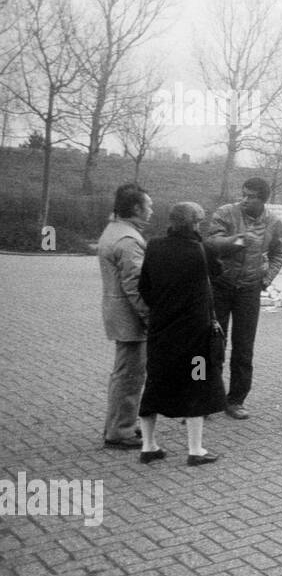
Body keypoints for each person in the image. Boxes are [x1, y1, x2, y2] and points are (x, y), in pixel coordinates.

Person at [137, 202, 227, 466]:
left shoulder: (154, 246)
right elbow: (218, 272)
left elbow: (144, 286)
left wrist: (164, 308)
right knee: (196, 384)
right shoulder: (201, 250)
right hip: (195, 336)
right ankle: (195, 450)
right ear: (196, 224)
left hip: (161, 332)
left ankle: (148, 446)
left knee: (154, 384)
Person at [203, 177, 282, 420]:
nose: (245, 199)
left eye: (252, 196)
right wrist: (238, 240)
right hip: (220, 286)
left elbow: (278, 252)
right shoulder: (226, 213)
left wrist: (267, 278)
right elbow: (211, 244)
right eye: (244, 194)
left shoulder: (274, 222)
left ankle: (236, 400)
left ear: (263, 199)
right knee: (212, 343)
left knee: (244, 348)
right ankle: (205, 398)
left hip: (249, 290)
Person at [98, 183, 153, 449]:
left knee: (124, 374)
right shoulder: (129, 240)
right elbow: (136, 286)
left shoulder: (115, 230)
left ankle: (119, 425)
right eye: (148, 205)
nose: (151, 210)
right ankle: (120, 432)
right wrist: (150, 318)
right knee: (130, 376)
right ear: (136, 208)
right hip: (129, 317)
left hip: (119, 312)